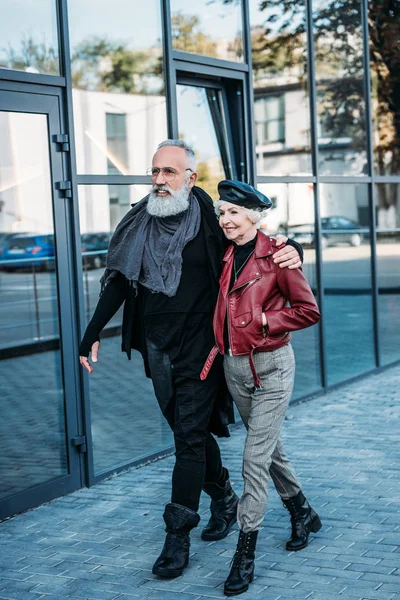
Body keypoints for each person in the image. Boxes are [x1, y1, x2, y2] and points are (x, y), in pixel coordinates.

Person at [79, 140, 303, 580]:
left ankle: (177, 536)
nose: (160, 181)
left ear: (190, 177)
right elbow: (122, 282)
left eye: (170, 172)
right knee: (190, 433)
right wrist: (90, 335)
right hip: (158, 346)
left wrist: (293, 246)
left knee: (186, 439)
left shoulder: (210, 217)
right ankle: (223, 497)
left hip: (202, 348)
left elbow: (255, 240)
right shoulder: (139, 222)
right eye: (155, 171)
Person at [201, 180, 321, 597]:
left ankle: (244, 554)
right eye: (221, 213)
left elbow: (309, 310)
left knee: (254, 458)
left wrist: (267, 322)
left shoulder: (279, 258)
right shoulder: (223, 254)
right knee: (271, 450)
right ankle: (302, 510)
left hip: (272, 368)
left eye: (233, 212)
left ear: (253, 215)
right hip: (235, 371)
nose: (226, 220)